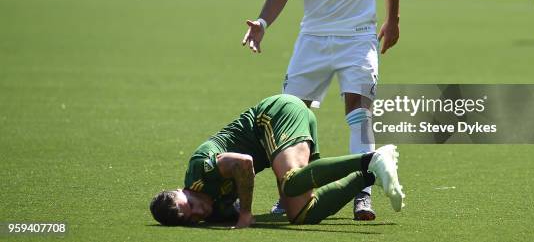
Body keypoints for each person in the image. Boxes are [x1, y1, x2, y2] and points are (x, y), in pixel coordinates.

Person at [241, 0, 401, 220]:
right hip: (312, 38)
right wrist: (263, 22)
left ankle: (362, 194)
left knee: (359, 114)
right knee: (290, 119)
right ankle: (291, 193)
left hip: (358, 37)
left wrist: (394, 19)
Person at [149, 94, 405, 228]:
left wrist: (246, 214)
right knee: (302, 214)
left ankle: (371, 158)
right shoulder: (211, 212)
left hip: (274, 115)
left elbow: (244, 162)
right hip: (278, 141)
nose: (198, 212)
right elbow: (229, 209)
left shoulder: (199, 169)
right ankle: (370, 175)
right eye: (191, 218)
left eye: (190, 204)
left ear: (182, 190)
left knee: (291, 183)